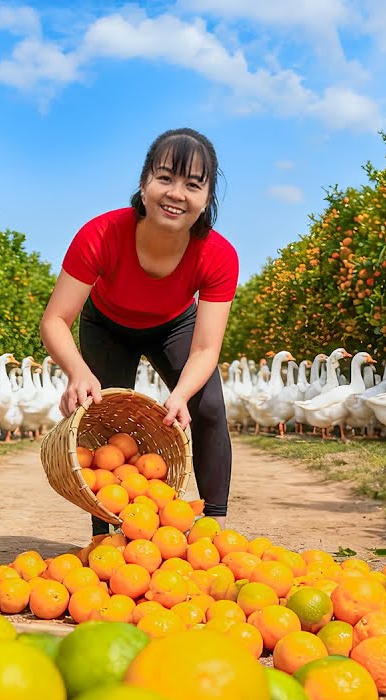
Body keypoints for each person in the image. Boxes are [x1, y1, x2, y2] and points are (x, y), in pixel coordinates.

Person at [40, 128, 239, 537]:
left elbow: (205, 349)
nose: (176, 193)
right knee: (103, 418)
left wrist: (181, 395)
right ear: (145, 182)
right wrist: (78, 372)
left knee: (208, 407)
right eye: (165, 178)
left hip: (175, 325)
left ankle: (214, 526)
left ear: (207, 197)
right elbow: (54, 320)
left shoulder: (219, 255)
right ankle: (105, 534)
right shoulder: (100, 234)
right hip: (107, 323)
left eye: (193, 184)